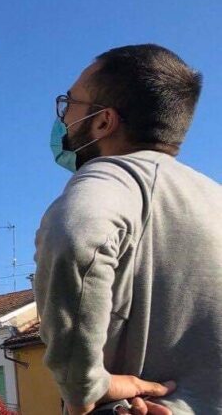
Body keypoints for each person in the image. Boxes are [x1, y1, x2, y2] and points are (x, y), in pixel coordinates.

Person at [35, 44, 220, 415]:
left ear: (103, 121)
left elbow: (75, 237)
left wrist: (85, 386)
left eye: (68, 103)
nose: (63, 118)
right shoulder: (213, 196)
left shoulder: (114, 176)